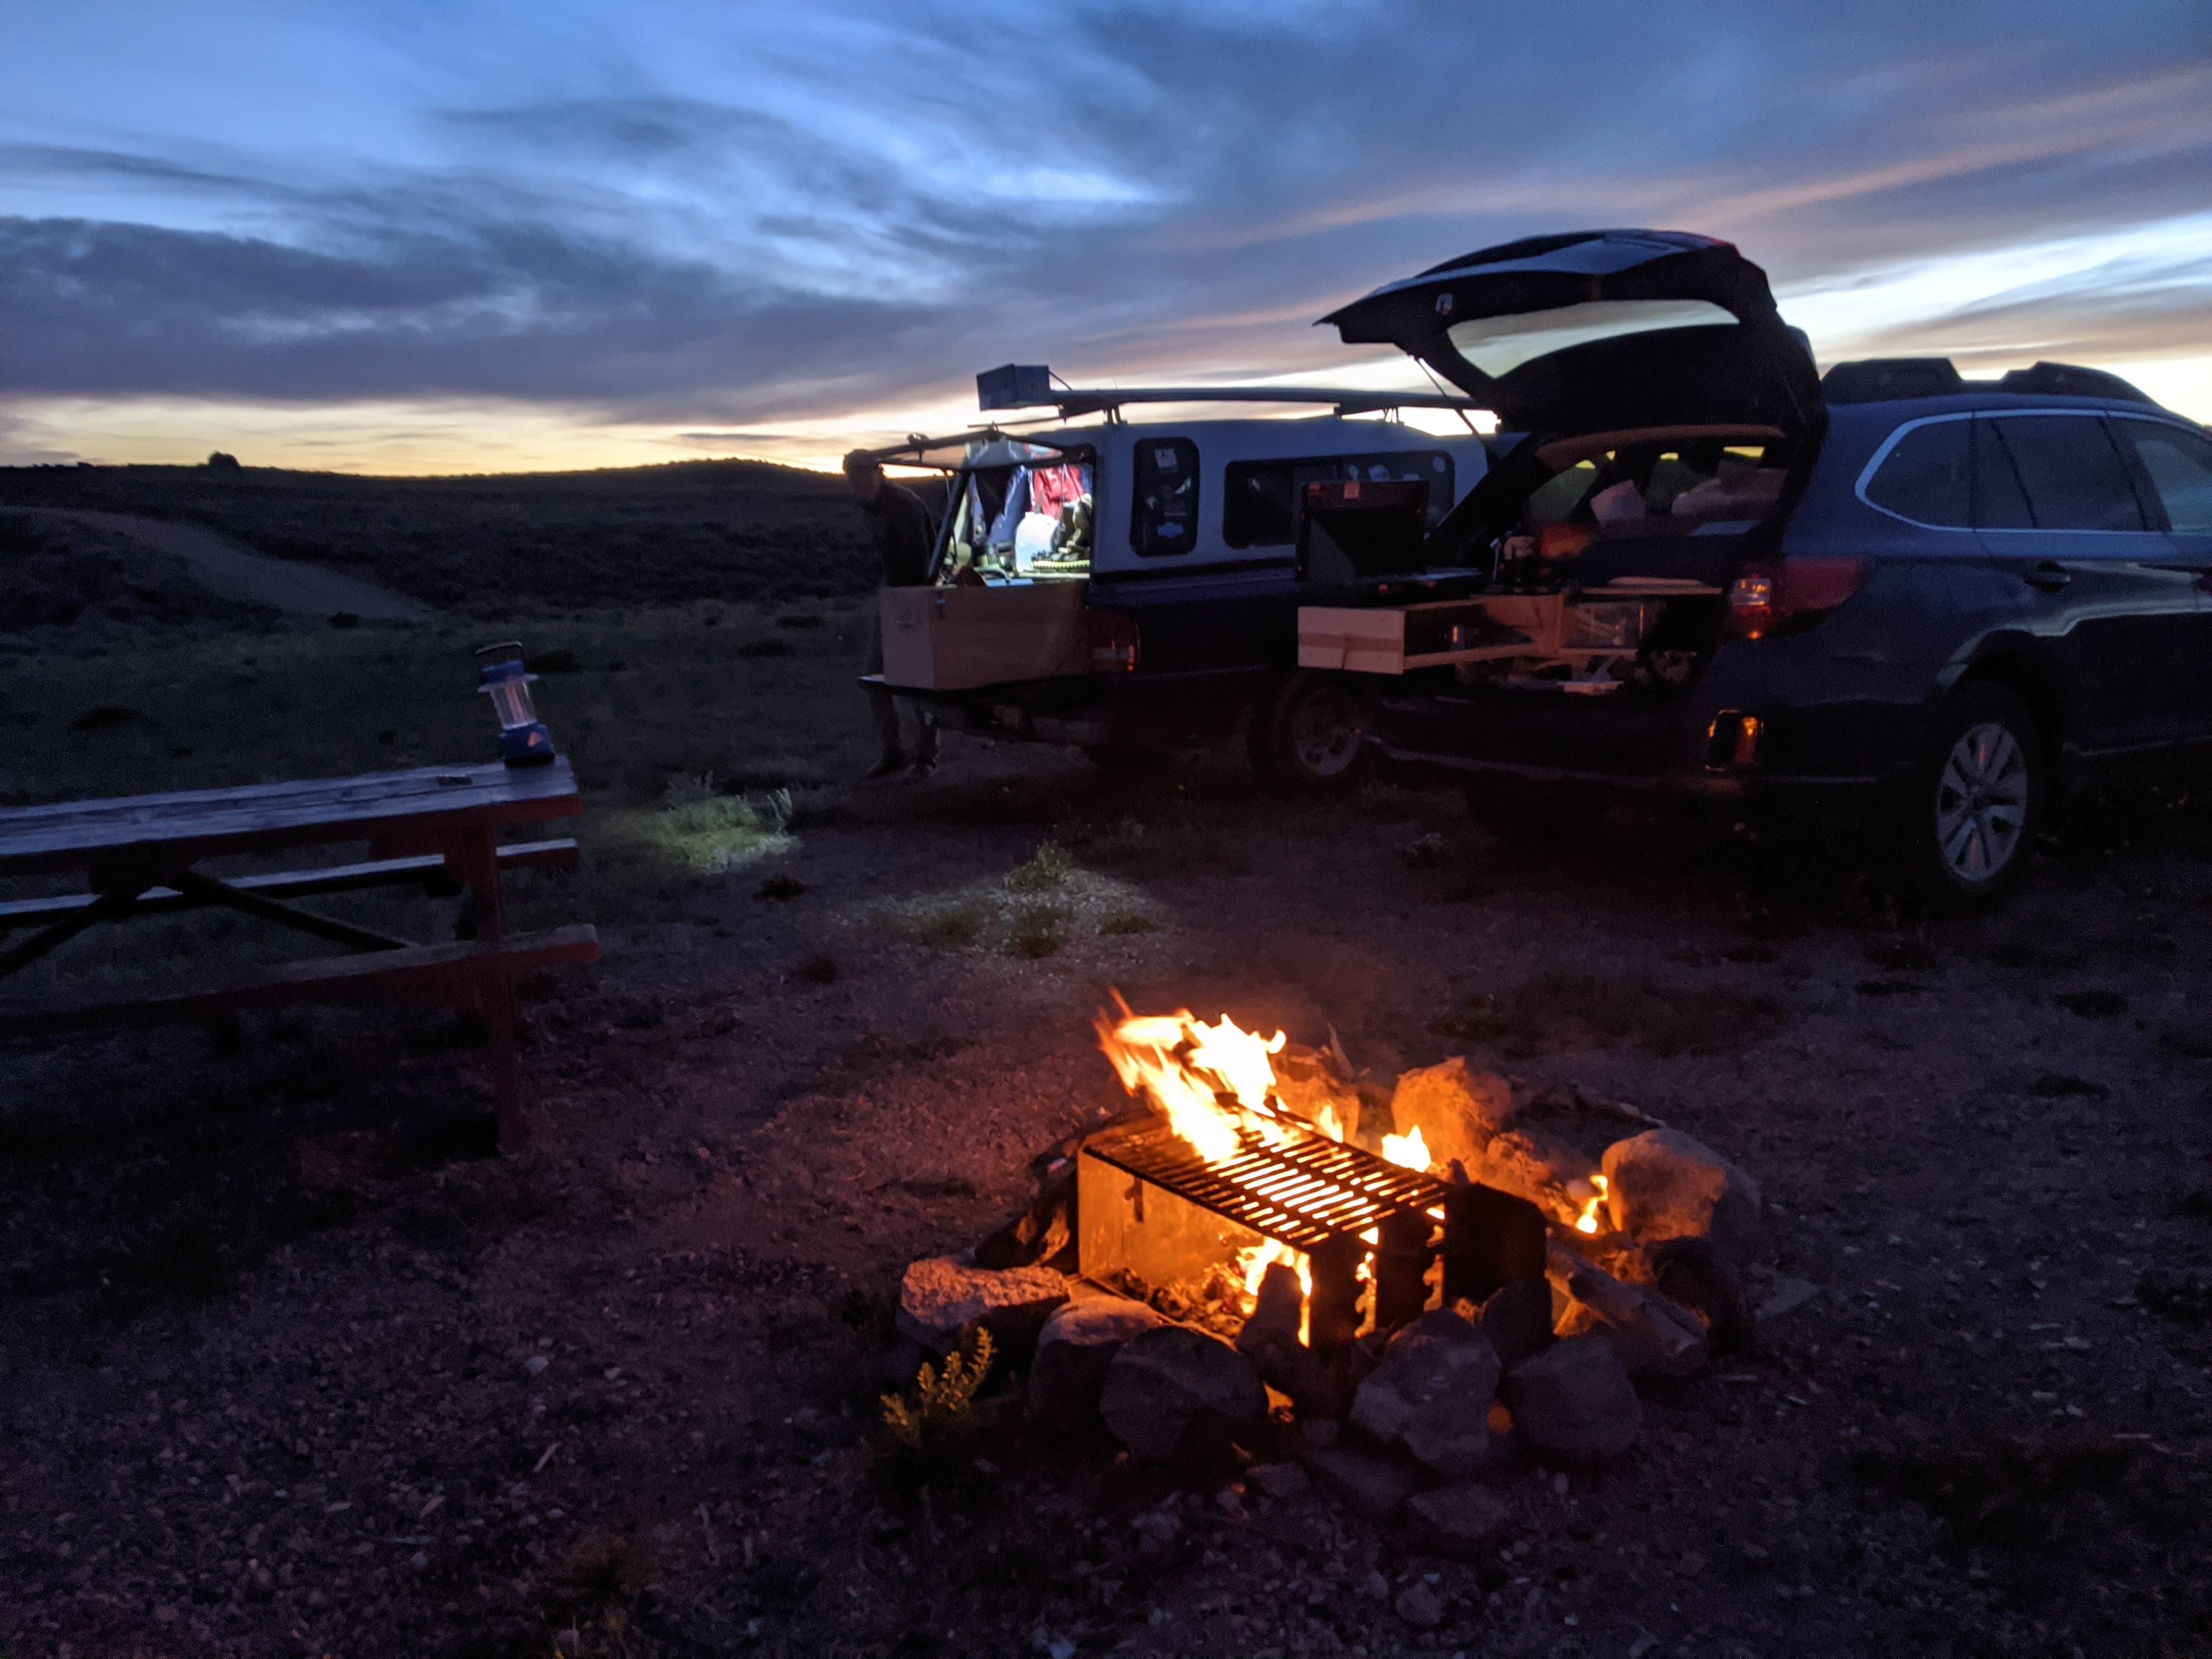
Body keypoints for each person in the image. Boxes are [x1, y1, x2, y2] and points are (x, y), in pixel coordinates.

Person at [843, 449, 941, 778]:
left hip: (914, 595)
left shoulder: (905, 506)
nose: (857, 484)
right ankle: (893, 752)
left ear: (878, 473)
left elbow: (920, 562)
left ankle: (926, 758)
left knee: (917, 679)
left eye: (862, 476)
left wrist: (909, 601)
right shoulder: (871, 507)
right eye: (852, 478)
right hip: (893, 592)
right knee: (875, 677)